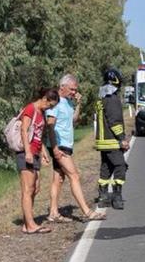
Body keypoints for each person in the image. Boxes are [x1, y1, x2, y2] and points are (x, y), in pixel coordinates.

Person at [45, 74, 106, 223]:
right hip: (60, 146)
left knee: (58, 179)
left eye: (75, 90)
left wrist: (78, 104)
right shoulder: (55, 103)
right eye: (72, 89)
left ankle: (53, 212)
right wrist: (54, 149)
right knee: (75, 176)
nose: (74, 92)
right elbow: (50, 126)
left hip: (66, 144)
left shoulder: (67, 102)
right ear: (62, 87)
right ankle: (87, 212)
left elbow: (74, 120)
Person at [18, 87, 60, 234]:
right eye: (50, 105)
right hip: (26, 153)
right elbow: (24, 130)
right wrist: (28, 151)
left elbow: (37, 134)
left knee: (35, 188)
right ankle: (30, 225)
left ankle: (27, 222)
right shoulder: (30, 109)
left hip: (36, 152)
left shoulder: (41, 112)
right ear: (44, 99)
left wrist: (43, 152)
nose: (50, 108)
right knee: (27, 189)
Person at [95, 68, 129, 210]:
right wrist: (122, 139)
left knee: (106, 168)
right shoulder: (112, 99)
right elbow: (114, 121)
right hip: (112, 141)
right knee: (121, 166)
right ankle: (117, 197)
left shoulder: (102, 98)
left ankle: (103, 197)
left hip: (102, 141)